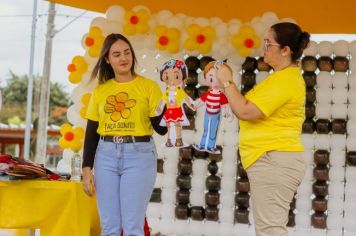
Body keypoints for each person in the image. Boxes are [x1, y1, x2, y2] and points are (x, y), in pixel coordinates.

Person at [216, 22, 310, 236]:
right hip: (270, 158)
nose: (263, 48)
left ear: (285, 50)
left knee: (270, 230)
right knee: (268, 229)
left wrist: (227, 81)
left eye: (268, 43)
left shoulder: (286, 80)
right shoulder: (279, 78)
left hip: (274, 159)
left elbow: (246, 111)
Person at [81, 33, 167, 236]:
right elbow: (92, 132)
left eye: (127, 52)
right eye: (117, 54)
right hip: (106, 156)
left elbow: (161, 128)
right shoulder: (101, 91)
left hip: (139, 155)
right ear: (107, 59)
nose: (123, 58)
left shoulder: (149, 87)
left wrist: (170, 108)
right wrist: (86, 169)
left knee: (132, 228)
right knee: (109, 227)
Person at [192, 60, 231, 154]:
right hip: (207, 114)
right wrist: (195, 105)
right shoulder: (208, 93)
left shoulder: (221, 95)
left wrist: (227, 113)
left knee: (213, 131)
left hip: (215, 115)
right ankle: (202, 145)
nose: (212, 78)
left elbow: (225, 105)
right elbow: (201, 100)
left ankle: (210, 146)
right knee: (205, 130)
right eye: (210, 76)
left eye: (216, 76)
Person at [155, 59, 195, 147]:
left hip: (177, 110)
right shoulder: (166, 92)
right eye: (167, 77)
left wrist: (191, 104)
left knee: (177, 125)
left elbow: (186, 98)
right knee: (169, 125)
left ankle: (178, 139)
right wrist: (159, 108)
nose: (171, 80)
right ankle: (169, 140)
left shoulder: (179, 91)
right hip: (169, 111)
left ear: (183, 77)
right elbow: (162, 100)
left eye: (176, 76)